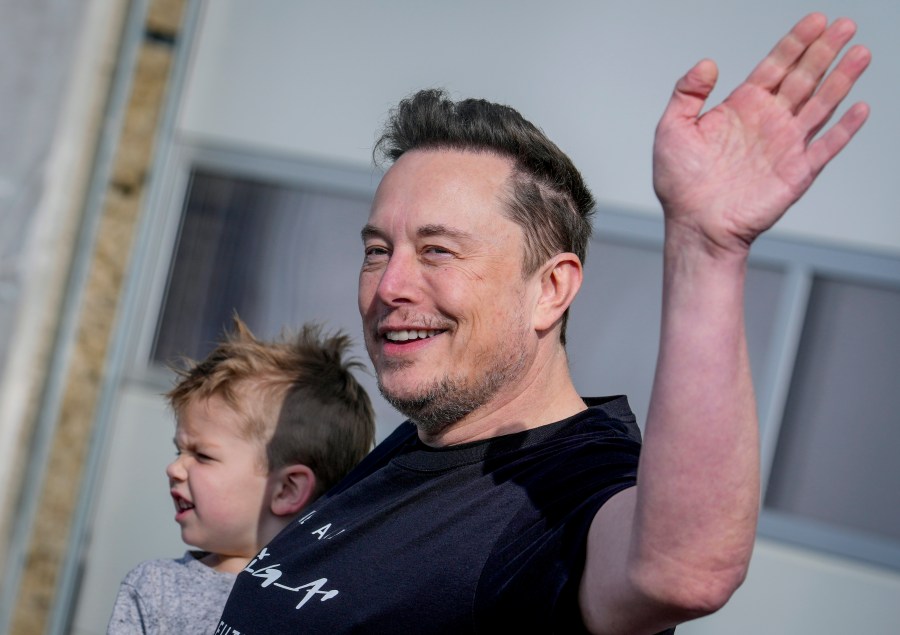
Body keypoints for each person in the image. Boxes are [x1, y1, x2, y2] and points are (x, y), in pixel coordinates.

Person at [217, 13, 871, 634]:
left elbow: (682, 570)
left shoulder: (570, 491)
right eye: (378, 250)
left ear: (550, 289)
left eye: (438, 250)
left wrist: (706, 247)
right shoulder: (424, 444)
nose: (389, 286)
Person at [106, 317, 375, 634]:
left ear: (287, 490)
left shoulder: (332, 608)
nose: (174, 468)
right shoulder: (157, 588)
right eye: (180, 452)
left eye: (202, 455)